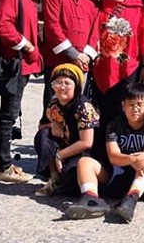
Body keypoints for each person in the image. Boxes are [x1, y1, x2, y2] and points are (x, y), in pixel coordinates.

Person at [67, 83, 144, 223]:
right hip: (118, 177)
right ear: (123, 106)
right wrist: (134, 159)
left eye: (140, 105)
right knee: (84, 161)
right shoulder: (114, 125)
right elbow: (113, 156)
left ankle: (131, 198)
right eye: (130, 104)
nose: (135, 109)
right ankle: (90, 198)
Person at [0, 0, 44, 183]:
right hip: (16, 62)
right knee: (8, 115)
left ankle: (1, 159)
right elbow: (3, 25)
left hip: (24, 63)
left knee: (10, 113)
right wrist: (26, 44)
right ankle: (4, 165)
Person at [90, 0, 144, 133]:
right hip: (102, 66)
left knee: (125, 107)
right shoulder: (100, 5)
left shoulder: (139, 7)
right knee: (102, 109)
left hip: (128, 67)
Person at [41, 0, 99, 122]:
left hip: (83, 63)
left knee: (79, 109)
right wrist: (74, 55)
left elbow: (96, 28)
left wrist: (86, 55)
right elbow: (52, 27)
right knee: (54, 110)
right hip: (58, 61)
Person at [34, 64, 99, 198]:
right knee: (43, 135)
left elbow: (87, 142)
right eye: (58, 83)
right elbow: (41, 127)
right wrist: (53, 124)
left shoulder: (83, 107)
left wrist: (59, 155)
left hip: (84, 152)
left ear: (76, 86)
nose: (62, 87)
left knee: (71, 185)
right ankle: (54, 178)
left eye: (67, 83)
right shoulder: (53, 104)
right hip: (65, 145)